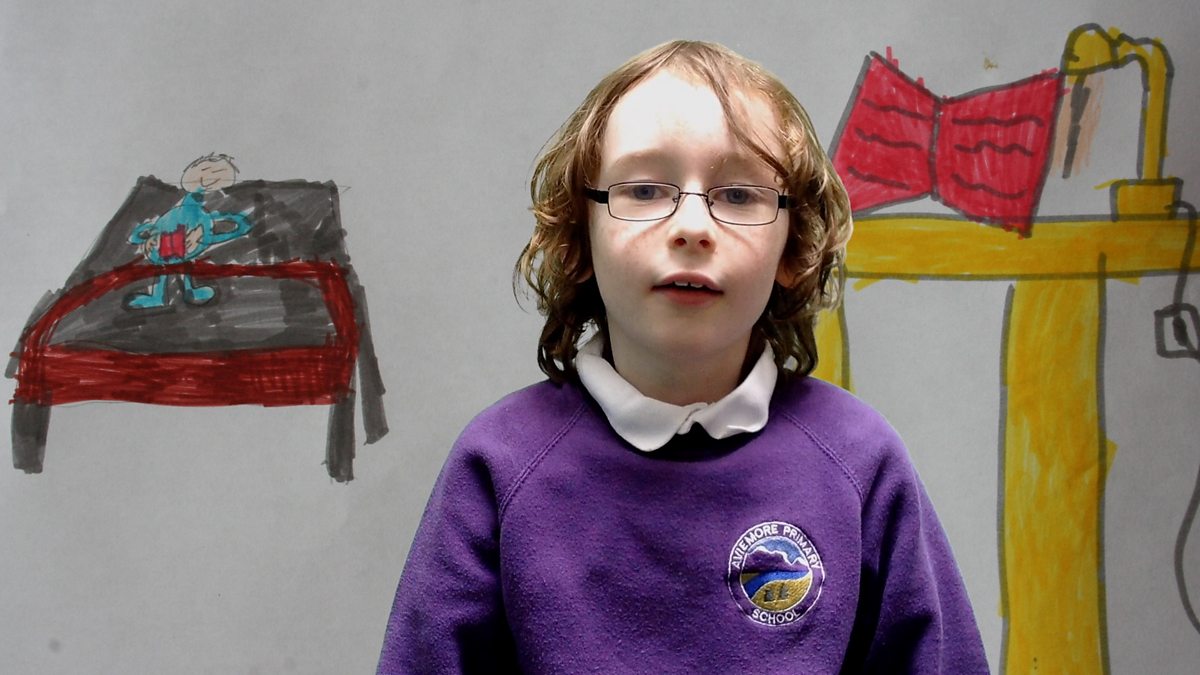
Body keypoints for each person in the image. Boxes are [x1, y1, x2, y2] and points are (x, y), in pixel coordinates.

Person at [378, 40, 989, 673]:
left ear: (794, 249)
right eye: (644, 189)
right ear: (578, 240)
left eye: (740, 195)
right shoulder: (498, 464)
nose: (692, 227)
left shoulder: (862, 462)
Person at [126, 153, 253, 308]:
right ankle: (173, 294)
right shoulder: (189, 209)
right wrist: (144, 235)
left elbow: (212, 231)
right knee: (171, 268)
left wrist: (142, 235)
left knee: (174, 268)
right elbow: (144, 233)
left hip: (175, 246)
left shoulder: (196, 212)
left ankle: (177, 294)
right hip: (168, 246)